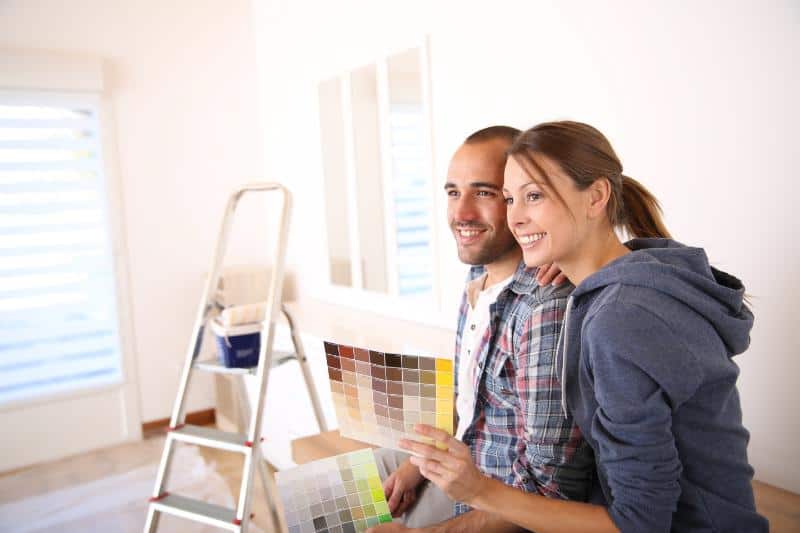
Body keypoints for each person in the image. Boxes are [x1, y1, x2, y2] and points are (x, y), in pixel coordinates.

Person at [399, 121, 769, 532]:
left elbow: (639, 524)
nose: (515, 218)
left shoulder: (621, 317)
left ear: (596, 197)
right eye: (508, 199)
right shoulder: (627, 282)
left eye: (534, 197)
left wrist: (477, 491)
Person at [369, 126, 594, 532]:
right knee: (316, 500)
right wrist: (416, 466)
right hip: (458, 467)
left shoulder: (546, 307)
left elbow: (547, 492)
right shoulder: (479, 275)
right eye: (453, 192)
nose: (462, 213)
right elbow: (468, 403)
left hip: (497, 510)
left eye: (485, 192)